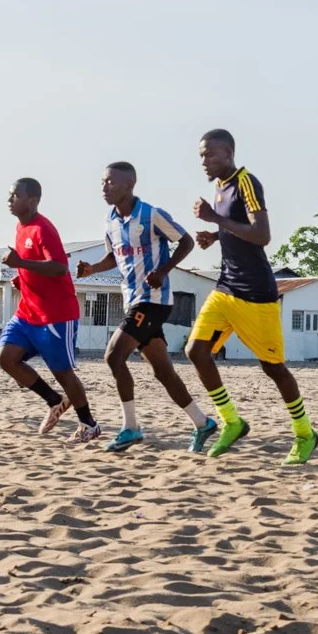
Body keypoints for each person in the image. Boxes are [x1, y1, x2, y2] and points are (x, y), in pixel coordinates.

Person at [186, 130, 318, 463]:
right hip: (226, 287)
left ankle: (305, 433)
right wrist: (215, 236)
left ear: (228, 153)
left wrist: (215, 219)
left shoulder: (247, 182)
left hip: (256, 294)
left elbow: (262, 234)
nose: (204, 161)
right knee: (196, 351)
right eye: (201, 155)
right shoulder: (219, 187)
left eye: (210, 155)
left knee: (273, 369)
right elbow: (237, 225)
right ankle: (232, 421)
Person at [74, 162, 212, 453]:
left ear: (129, 185)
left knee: (113, 356)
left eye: (110, 182)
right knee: (163, 372)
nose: (104, 187)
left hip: (153, 301)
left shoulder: (151, 214)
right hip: (132, 299)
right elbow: (114, 257)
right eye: (102, 182)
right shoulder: (110, 220)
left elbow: (185, 241)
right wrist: (92, 269)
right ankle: (202, 423)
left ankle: (131, 427)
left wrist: (163, 270)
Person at [0, 178, 99, 441]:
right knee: (5, 358)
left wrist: (20, 262)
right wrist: (21, 276)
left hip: (55, 315)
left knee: (62, 372)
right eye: (9, 195)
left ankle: (89, 424)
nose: (10, 200)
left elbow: (59, 267)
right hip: (27, 312)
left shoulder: (43, 229)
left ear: (32, 200)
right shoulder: (20, 227)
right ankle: (54, 400)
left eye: (15, 195)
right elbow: (32, 264)